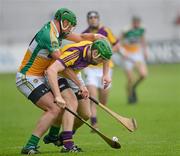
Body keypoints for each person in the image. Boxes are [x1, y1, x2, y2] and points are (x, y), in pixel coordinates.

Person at [16, 8, 104, 154]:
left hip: (41, 76)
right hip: (28, 77)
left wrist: (96, 36)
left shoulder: (57, 31)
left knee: (64, 106)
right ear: (60, 20)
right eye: (67, 24)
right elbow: (62, 66)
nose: (69, 28)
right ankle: (30, 146)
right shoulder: (49, 35)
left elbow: (81, 38)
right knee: (55, 107)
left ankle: (53, 136)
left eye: (71, 25)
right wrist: (78, 85)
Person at [45, 39, 112, 149]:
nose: (101, 62)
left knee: (86, 114)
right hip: (58, 73)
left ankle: (59, 137)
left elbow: (106, 58)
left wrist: (106, 74)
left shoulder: (96, 51)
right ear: (95, 53)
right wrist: (79, 85)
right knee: (72, 102)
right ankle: (68, 144)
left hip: (74, 74)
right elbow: (55, 69)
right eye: (100, 59)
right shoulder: (75, 53)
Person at [82, 11, 120, 130]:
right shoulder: (85, 34)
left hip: (105, 68)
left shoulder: (105, 31)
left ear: (98, 19)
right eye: (90, 17)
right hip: (90, 69)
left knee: (103, 100)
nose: (93, 19)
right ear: (88, 20)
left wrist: (106, 54)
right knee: (93, 96)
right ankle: (94, 123)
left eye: (95, 17)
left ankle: (96, 113)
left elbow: (117, 45)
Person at [119, 16, 148, 104]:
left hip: (137, 54)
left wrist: (145, 51)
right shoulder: (126, 30)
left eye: (138, 23)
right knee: (130, 79)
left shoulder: (141, 29)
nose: (137, 24)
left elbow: (143, 40)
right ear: (133, 22)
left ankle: (133, 87)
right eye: (135, 23)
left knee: (143, 74)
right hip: (127, 55)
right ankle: (130, 96)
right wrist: (122, 52)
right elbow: (118, 41)